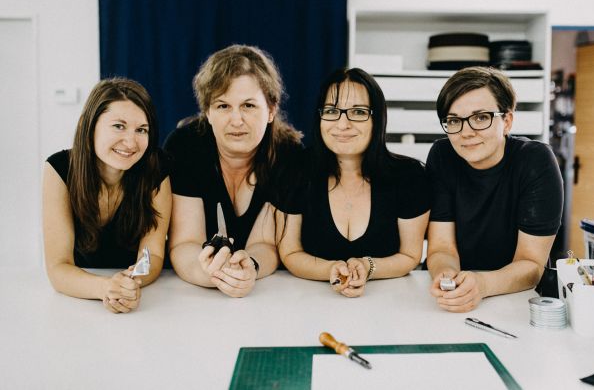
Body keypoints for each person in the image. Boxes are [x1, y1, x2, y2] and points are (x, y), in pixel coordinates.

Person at [163, 45, 302, 297]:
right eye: (223, 106)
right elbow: (185, 242)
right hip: (192, 296)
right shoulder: (184, 147)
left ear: (271, 110)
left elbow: (266, 244)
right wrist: (207, 273)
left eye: (248, 106)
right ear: (207, 112)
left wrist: (250, 269)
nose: (236, 120)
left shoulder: (288, 154)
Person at [277, 68, 430, 297]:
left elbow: (410, 256)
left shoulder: (409, 175)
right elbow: (290, 252)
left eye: (358, 112)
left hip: (388, 305)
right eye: (332, 111)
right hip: (307, 304)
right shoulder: (297, 169)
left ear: (377, 119)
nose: (342, 124)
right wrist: (331, 270)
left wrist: (368, 267)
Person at [425, 66, 563, 312]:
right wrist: (447, 278)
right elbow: (441, 247)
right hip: (457, 294)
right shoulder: (442, 155)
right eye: (454, 120)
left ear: (507, 121)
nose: (466, 132)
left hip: (516, 298)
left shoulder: (535, 161)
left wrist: (483, 284)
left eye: (481, 117)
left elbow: (531, 264)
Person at [42, 78, 172, 314]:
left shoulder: (157, 167)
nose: (131, 142)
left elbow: (152, 253)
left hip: (139, 294)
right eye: (119, 126)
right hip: (78, 302)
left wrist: (129, 284)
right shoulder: (59, 169)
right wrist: (105, 288)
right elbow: (58, 267)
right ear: (90, 126)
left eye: (141, 130)